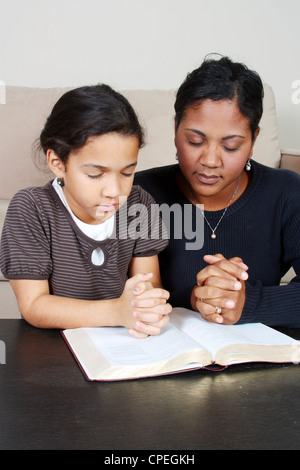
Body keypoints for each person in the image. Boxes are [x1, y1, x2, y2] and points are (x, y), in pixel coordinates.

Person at [135, 55, 300, 328]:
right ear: (175, 128)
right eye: (195, 141)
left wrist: (246, 302)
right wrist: (194, 297)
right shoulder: (140, 195)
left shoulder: (286, 194)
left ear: (254, 139)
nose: (210, 160)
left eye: (231, 146)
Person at [0, 84, 171, 337]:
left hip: (123, 343)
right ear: (57, 163)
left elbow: (148, 285)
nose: (114, 190)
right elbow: (34, 305)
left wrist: (148, 305)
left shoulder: (139, 205)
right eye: (95, 174)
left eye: (127, 172)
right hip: (52, 348)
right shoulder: (31, 208)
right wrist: (116, 312)